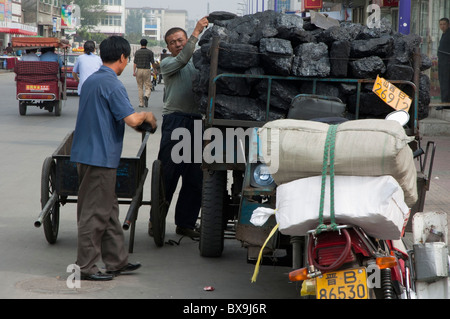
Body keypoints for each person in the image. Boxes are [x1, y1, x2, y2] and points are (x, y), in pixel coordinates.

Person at [70, 36, 157, 281]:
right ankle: (85, 267)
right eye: (126, 58)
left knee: (108, 210)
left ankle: (117, 261)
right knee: (94, 214)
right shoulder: (112, 84)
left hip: (88, 154)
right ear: (122, 58)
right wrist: (148, 116)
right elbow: (132, 120)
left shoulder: (91, 81)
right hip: (99, 157)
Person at [151, 17, 209, 239]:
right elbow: (184, 57)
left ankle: (185, 223)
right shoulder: (168, 64)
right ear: (168, 47)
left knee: (194, 177)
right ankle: (155, 221)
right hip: (175, 121)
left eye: (181, 40)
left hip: (196, 122)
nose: (178, 44)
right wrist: (196, 31)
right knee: (169, 174)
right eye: (174, 42)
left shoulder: (199, 64)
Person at [133, 39, 155, 107]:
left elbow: (135, 63)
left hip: (139, 70)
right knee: (148, 86)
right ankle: (146, 95)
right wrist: (154, 70)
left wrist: (134, 71)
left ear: (140, 44)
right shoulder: (150, 52)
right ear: (146, 44)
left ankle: (141, 103)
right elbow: (153, 63)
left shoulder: (137, 52)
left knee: (140, 87)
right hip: (146, 70)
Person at [437, 17, 450, 110]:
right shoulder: (444, 34)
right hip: (442, 62)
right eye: (441, 24)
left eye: (444, 24)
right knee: (443, 82)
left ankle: (445, 102)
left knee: (446, 82)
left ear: (448, 25)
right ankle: (445, 101)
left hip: (447, 62)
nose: (442, 26)